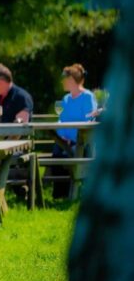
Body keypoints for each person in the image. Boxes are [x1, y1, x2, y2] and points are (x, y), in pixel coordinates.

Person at [51, 63, 97, 198]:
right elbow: (62, 120)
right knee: (57, 153)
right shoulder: (66, 99)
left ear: (71, 80)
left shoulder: (88, 97)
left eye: (64, 79)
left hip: (81, 143)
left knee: (66, 154)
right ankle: (59, 196)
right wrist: (60, 133)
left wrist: (74, 139)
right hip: (64, 141)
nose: (62, 82)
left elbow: (89, 120)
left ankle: (73, 194)